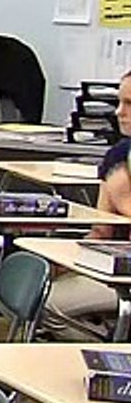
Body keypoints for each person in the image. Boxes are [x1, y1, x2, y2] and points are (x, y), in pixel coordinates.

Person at [42, 70, 131, 341]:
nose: (119, 112)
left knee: (51, 305)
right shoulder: (118, 157)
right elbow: (101, 231)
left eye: (130, 104)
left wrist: (124, 201)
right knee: (39, 290)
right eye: (119, 102)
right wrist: (64, 261)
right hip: (114, 267)